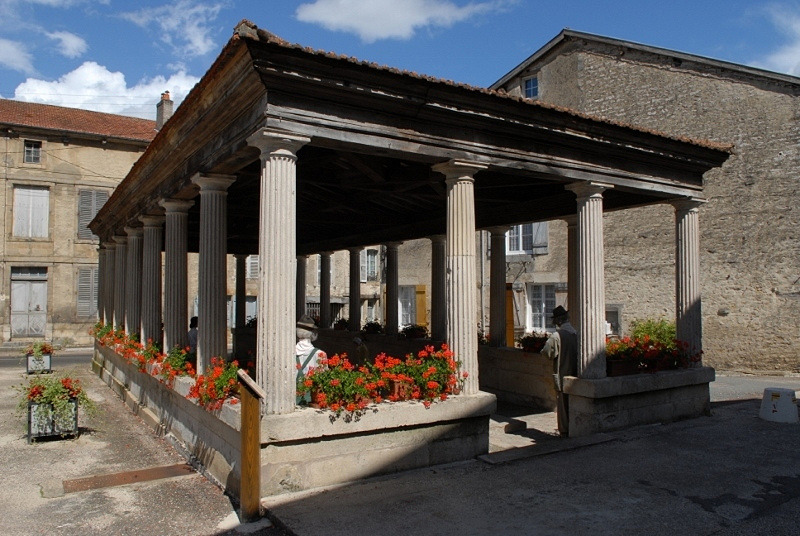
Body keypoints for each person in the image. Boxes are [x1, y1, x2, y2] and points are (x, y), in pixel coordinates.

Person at [541, 305, 578, 437]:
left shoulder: (557, 336)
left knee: (562, 403)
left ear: (558, 320)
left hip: (563, 372)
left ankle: (565, 429)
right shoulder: (576, 334)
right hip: (576, 372)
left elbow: (547, 352)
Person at [296, 315, 326, 405]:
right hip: (311, 400)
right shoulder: (320, 354)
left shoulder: (289, 352)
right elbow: (323, 380)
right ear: (313, 333)